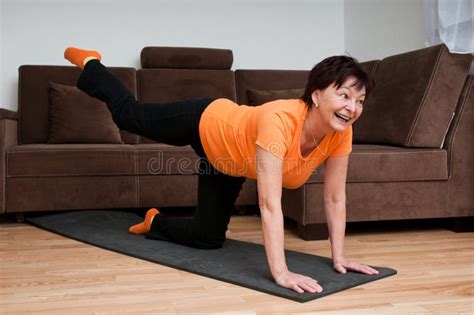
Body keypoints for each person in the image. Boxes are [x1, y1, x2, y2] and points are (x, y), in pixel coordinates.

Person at [64, 47, 379, 294]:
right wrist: (280, 272)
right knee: (129, 116)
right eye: (344, 96)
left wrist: (339, 257)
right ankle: (91, 63)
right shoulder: (280, 121)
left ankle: (155, 222)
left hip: (227, 161)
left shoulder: (341, 132)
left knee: (208, 238)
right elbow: (269, 205)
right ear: (316, 95)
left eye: (360, 101)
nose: (353, 108)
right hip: (206, 121)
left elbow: (336, 198)